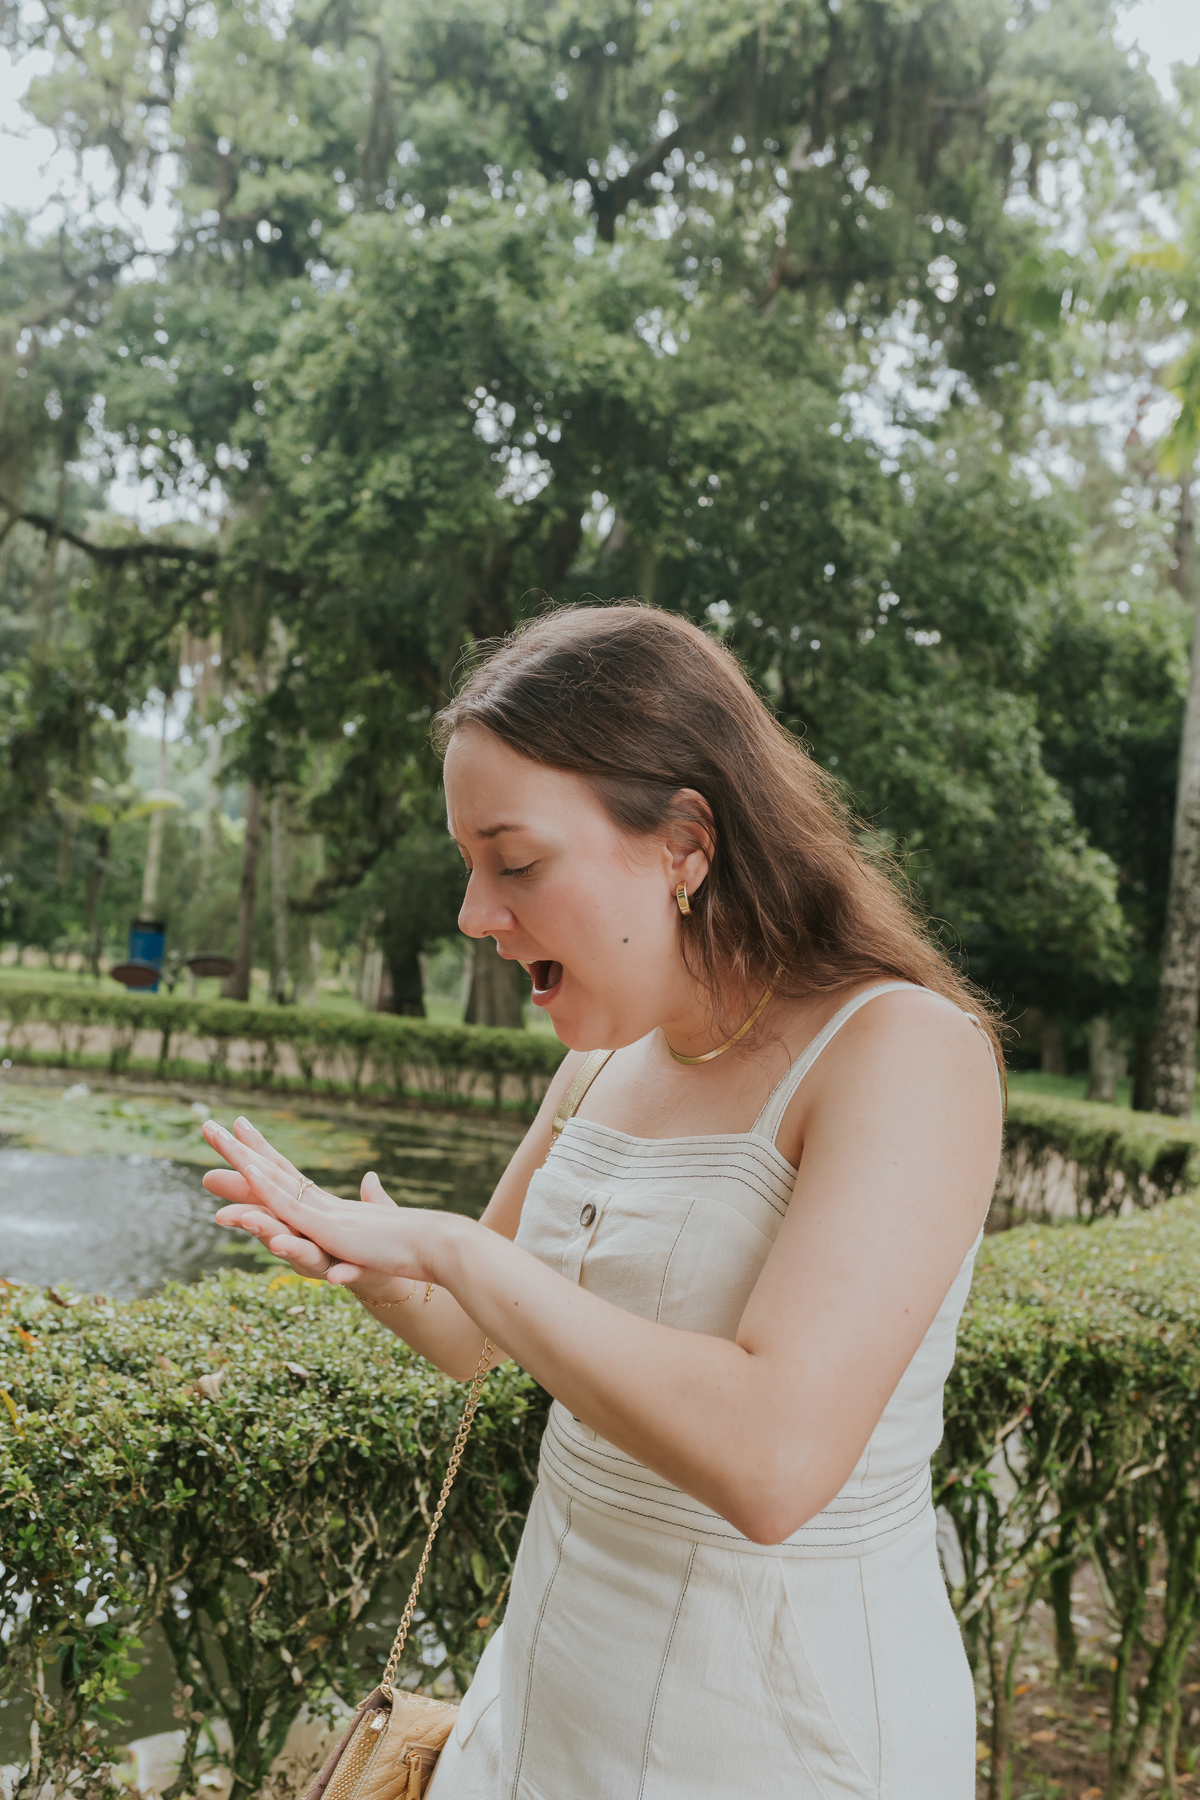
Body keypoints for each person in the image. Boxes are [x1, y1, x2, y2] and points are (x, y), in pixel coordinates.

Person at [203, 603, 1002, 1799]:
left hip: (777, 1743)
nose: (476, 915)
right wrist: (366, 1258)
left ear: (684, 843)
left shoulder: (898, 1053)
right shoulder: (602, 1060)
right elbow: (476, 1335)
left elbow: (775, 1460)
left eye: (514, 863)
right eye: (472, 868)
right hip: (542, 1705)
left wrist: (447, 1246)